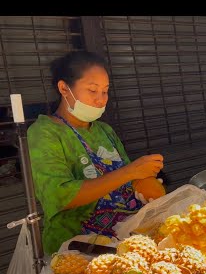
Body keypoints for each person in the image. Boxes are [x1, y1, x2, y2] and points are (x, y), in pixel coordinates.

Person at [27, 51, 164, 255]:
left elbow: (131, 180)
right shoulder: (45, 132)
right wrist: (131, 171)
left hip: (123, 242)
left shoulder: (104, 131)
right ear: (64, 88)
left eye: (105, 91)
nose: (100, 100)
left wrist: (146, 182)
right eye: (92, 90)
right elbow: (60, 196)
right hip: (75, 249)